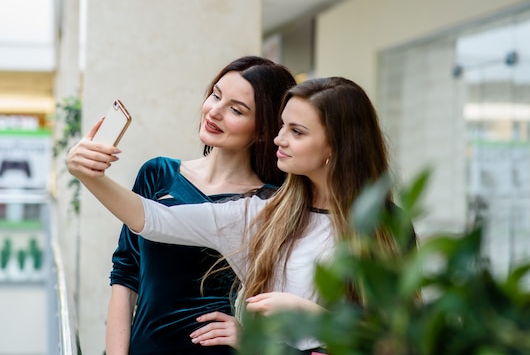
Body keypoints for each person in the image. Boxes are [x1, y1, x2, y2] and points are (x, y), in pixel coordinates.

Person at [68, 77, 406, 353]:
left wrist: (312, 318)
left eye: (296, 132)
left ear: (337, 146)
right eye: (282, 126)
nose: (279, 138)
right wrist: (86, 173)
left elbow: (399, 340)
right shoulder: (265, 214)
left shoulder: (386, 228)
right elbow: (153, 220)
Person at [104, 56, 297, 355]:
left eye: (236, 109)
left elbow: (285, 297)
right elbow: (125, 274)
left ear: (263, 129)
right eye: (216, 95)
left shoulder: (271, 203)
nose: (214, 111)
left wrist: (249, 336)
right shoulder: (158, 174)